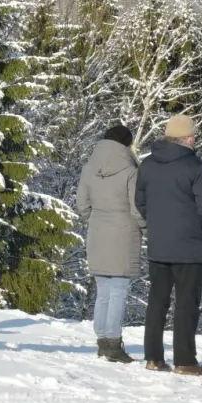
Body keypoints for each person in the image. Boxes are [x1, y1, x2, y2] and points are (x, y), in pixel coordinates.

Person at [134, 114, 202, 376]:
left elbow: (140, 202)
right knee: (186, 304)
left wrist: (157, 224)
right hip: (189, 247)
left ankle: (153, 357)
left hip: (159, 244)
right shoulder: (195, 167)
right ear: (186, 138)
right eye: (193, 135)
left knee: (157, 301)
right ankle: (184, 360)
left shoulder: (147, 165)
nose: (195, 139)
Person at [75, 123, 143, 363]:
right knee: (119, 290)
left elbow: (82, 204)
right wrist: (146, 227)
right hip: (124, 234)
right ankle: (114, 343)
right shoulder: (131, 170)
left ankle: (103, 341)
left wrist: (96, 220)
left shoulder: (89, 167)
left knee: (103, 289)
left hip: (98, 232)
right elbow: (137, 207)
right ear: (126, 143)